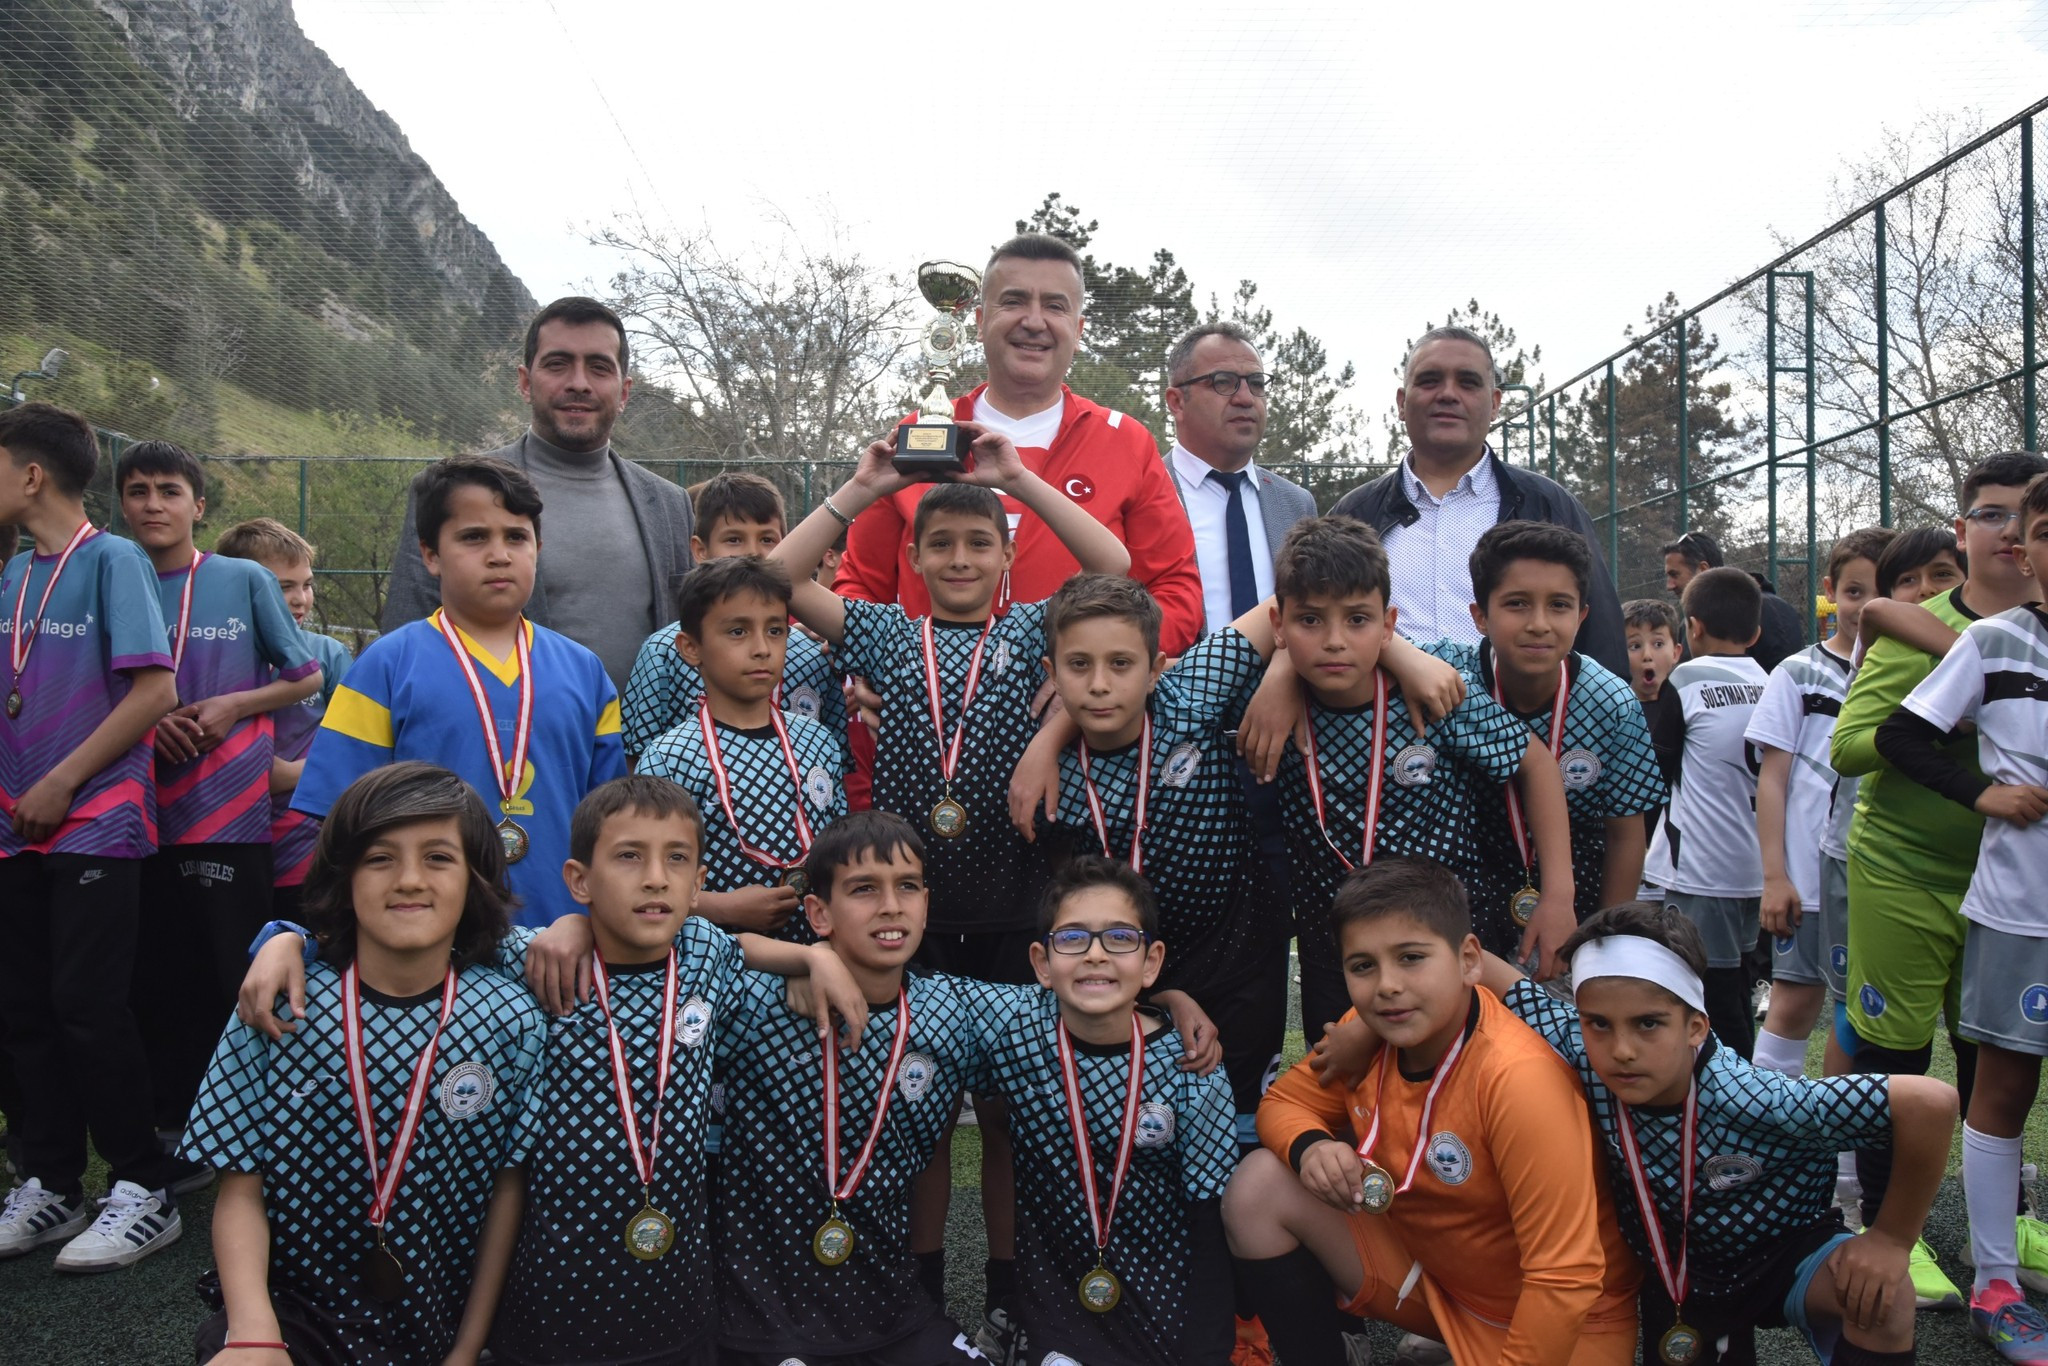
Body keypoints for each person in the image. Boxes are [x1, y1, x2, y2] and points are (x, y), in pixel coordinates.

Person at [770, 426, 1131, 1342]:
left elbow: (1115, 569)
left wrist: (1021, 481)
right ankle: (922, 1290)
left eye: (979, 543)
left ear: (1008, 557)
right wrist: (863, 488)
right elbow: (778, 578)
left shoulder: (1033, 627)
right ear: (915, 559)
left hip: (1015, 907)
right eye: (941, 545)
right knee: (917, 1106)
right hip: (913, 918)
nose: (961, 559)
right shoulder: (889, 635)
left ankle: (1011, 1291)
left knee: (1010, 1117)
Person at [1472, 902, 1957, 1366]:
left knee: (1885, 1298)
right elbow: (1495, 975)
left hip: (1782, 1256)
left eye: (1648, 1024)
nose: (1621, 1049)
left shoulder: (1755, 1098)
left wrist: (1891, 1239)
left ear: (1696, 1027)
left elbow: (1930, 1104)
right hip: (1677, 1275)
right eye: (1599, 1023)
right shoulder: (1581, 1045)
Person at [182, 763, 546, 1365]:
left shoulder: (511, 1018)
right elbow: (241, 1187)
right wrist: (253, 1331)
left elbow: (510, 1192)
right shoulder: (281, 1002)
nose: (409, 879)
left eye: (438, 858)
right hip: (297, 1313)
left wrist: (465, 1350)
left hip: (447, 1317)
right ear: (343, 874)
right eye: (379, 858)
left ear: (476, 879)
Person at [1224, 857, 1641, 1366]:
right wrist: (1312, 1148)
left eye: (1411, 958)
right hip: (1444, 1290)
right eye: (1363, 966)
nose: (1387, 984)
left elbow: (1564, 1278)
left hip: (1567, 1326)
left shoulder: (1518, 1079)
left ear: (1469, 961)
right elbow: (1283, 1103)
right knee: (1258, 1188)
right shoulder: (1375, 1026)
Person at [1832, 452, 2048, 1259]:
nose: (2007, 530)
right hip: (1904, 873)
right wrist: (1961, 725)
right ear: (1968, 530)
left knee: (1997, 1062)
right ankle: (1894, 1230)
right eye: (1991, 513)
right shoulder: (1933, 631)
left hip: (2007, 891)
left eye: (2021, 514)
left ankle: (2010, 1225)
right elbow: (1853, 745)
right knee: (1899, 1054)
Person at [1251, 517, 1578, 1040]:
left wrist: (1559, 895)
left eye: (1358, 620)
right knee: (1346, 1079)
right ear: (1279, 624)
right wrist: (1279, 669)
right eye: (1310, 620)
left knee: (1465, 1075)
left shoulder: (1433, 693)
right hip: (1334, 952)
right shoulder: (1263, 705)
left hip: (1445, 944)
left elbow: (1535, 764)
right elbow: (1170, 680)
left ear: (1388, 625)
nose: (1334, 641)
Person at [0, 402, 186, 1271]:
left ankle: (143, 1186)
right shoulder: (14, 572)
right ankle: (51, 1183)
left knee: (88, 1005)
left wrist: (62, 780)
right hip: (15, 830)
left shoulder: (113, 560)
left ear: (32, 474)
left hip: (95, 824)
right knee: (25, 1009)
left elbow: (155, 692)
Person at [293, 456, 627, 926]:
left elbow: (611, 826)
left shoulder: (586, 672)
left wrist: (590, 925)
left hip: (561, 937)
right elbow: (340, 821)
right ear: (430, 555)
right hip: (427, 939)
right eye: (474, 537)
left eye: (516, 537)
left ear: (538, 548)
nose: (499, 555)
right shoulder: (385, 667)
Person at [835, 233, 1203, 655]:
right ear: (979, 322)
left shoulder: (1126, 442)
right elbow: (860, 585)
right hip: (924, 693)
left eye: (1055, 306)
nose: (1034, 321)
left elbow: (1175, 589)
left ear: (1078, 330)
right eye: (1013, 301)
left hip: (1079, 696)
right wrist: (876, 666)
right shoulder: (920, 434)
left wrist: (1104, 667)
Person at [115, 443, 323, 1137]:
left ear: (197, 505)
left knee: (232, 974)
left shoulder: (240, 579)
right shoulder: (111, 575)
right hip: (135, 814)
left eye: (168, 490)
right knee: (156, 974)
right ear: (120, 505)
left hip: (231, 815)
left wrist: (235, 706)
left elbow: (304, 675)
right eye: (138, 491)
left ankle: (249, 1125)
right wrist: (147, 724)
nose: (153, 504)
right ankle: (173, 1125)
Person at [974, 856, 1238, 1365]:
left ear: (1151, 961)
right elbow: (912, 995)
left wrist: (1208, 1351)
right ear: (1042, 962)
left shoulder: (1193, 1065)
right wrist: (818, 961)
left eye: (1119, 937)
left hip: (1161, 1301)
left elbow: (1210, 1221)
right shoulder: (1013, 1026)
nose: (1095, 954)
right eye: (1073, 938)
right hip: (1054, 1308)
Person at [381, 297, 695, 691]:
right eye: (557, 364)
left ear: (624, 391)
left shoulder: (669, 504)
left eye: (599, 367)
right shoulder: (447, 491)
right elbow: (405, 639)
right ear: (526, 382)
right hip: (497, 729)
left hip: (645, 734)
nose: (578, 382)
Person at [1325, 325, 1627, 676]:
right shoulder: (1353, 516)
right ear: (1401, 403)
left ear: (1495, 403)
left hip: (1527, 714)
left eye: (1468, 383)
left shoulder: (1550, 507)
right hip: (1382, 712)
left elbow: (1603, 647)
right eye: (1429, 381)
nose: (1447, 394)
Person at [1428, 520, 1665, 945]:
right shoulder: (1447, 675)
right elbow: (1375, 640)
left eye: (1559, 605)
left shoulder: (1612, 703)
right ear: (1480, 616)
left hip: (1577, 905)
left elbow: (1626, 835)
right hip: (1465, 902)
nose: (1539, 623)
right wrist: (1407, 660)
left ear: (1582, 615)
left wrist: (1603, 940)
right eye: (1517, 604)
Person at [1745, 528, 1891, 1091]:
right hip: (1805, 880)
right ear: (1830, 591)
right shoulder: (1797, 673)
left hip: (1881, 878)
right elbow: (1773, 779)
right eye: (1854, 592)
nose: (1867, 607)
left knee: (1864, 1012)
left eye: (1882, 593)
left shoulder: (1917, 673)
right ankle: (1764, 1127)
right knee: (1795, 1001)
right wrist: (1775, 876)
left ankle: (1847, 1143)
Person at [634, 556, 848, 939]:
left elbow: (841, 850)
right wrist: (723, 908)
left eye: (775, 630)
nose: (762, 648)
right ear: (691, 647)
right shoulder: (670, 757)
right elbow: (646, 880)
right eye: (738, 631)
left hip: (822, 957)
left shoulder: (818, 740)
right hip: (718, 960)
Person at [620, 472, 847, 766]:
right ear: (700, 550)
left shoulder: (813, 655)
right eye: (734, 539)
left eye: (767, 539)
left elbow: (833, 763)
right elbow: (637, 761)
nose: (752, 553)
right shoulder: (663, 652)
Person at [1641, 566, 1769, 1058]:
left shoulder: (1688, 678)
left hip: (1702, 868)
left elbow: (1658, 763)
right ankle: (1745, 1076)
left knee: (1706, 991)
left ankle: (1736, 1086)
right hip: (1757, 866)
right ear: (1754, 634)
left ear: (1691, 628)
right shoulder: (1771, 681)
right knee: (1737, 983)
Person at [210, 518, 355, 921]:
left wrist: (289, 774)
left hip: (308, 852)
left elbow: (356, 752)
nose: (300, 599)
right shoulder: (209, 653)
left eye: (306, 585)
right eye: (283, 587)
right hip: (226, 842)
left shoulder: (328, 655)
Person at [1162, 321, 1317, 636]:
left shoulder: (1295, 504)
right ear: (1177, 402)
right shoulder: (1141, 492)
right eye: (1224, 382)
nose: (1246, 398)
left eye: (1256, 383)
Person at [1662, 531, 1806, 672]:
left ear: (1703, 569)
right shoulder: (1773, 606)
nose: (1669, 585)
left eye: (1674, 574)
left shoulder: (1755, 611)